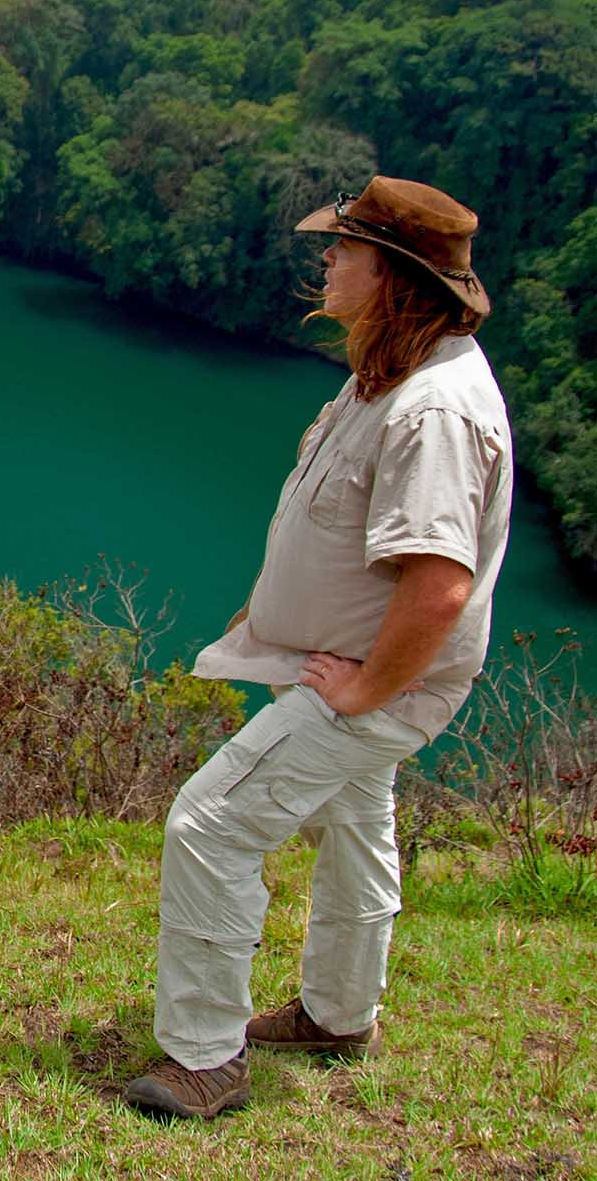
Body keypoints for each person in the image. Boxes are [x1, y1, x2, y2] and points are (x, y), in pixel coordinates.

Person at [122, 175, 513, 1121]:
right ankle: (340, 1016)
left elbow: (440, 583)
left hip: (381, 687)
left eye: (344, 249)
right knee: (353, 828)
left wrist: (367, 688)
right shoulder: (390, 371)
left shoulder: (432, 410)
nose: (326, 260)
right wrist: (269, 623)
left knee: (211, 825)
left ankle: (205, 1058)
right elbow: (336, 532)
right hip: (354, 674)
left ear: (396, 275)